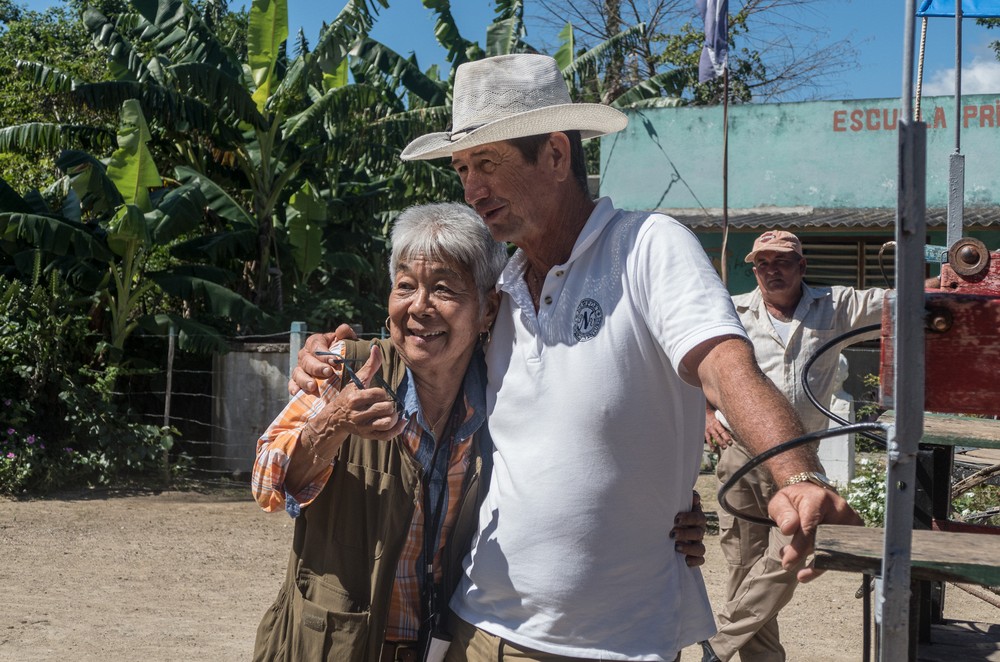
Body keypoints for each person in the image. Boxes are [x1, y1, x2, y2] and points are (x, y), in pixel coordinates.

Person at [293, 54, 862, 662]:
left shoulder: (647, 246)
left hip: (621, 643)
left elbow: (724, 363)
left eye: (488, 163)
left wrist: (794, 472)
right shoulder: (500, 294)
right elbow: (420, 341)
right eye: (462, 168)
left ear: (558, 155)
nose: (471, 189)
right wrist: (326, 355)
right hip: (477, 629)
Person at [252, 202, 707, 662]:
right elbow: (267, 482)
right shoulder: (348, 369)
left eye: (444, 289)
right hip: (333, 645)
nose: (419, 307)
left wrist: (667, 517)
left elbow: (581, 454)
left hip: (447, 643)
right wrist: (332, 425)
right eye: (405, 286)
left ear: (489, 308)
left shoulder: (501, 390)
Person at [704, 230, 885, 662]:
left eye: (782, 262)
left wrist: (954, 277)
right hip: (741, 451)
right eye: (763, 263)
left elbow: (897, 299)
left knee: (792, 550)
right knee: (744, 564)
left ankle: (719, 643)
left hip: (801, 457)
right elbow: (695, 363)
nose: (772, 270)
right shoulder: (731, 310)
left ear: (801, 266)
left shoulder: (835, 305)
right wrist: (704, 414)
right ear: (754, 270)